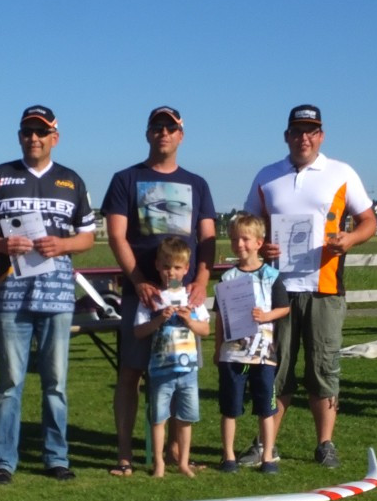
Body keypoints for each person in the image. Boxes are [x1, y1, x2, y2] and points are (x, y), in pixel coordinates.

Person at [244, 105, 377, 468]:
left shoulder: (341, 172)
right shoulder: (267, 176)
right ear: (286, 135)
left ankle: (325, 443)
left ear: (321, 135)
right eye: (298, 131)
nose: (305, 137)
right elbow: (247, 227)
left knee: (323, 368)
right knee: (276, 368)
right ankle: (264, 445)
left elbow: (368, 221)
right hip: (278, 288)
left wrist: (349, 240)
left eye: (312, 131)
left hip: (326, 288)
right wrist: (262, 244)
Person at [0, 106, 96, 484]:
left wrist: (62, 245)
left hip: (58, 297)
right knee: (10, 382)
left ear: (54, 138)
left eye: (41, 132)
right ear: (19, 136)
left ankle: (56, 456)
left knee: (55, 383)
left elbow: (88, 237)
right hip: (12, 295)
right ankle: (3, 461)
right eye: (28, 132)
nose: (34, 138)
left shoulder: (71, 181)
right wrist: (2, 241)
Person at [102, 106, 216, 476]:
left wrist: (201, 280)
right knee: (131, 373)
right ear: (148, 133)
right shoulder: (125, 179)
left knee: (180, 372)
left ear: (181, 135)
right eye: (157, 127)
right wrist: (139, 281)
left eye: (171, 127)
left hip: (184, 297)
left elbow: (208, 238)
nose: (163, 132)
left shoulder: (197, 184)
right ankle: (125, 453)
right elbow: (117, 236)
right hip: (143, 296)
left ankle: (173, 455)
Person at [214, 213, 289, 474]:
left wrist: (267, 316)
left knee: (266, 408)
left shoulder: (271, 275)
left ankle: (268, 456)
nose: (240, 244)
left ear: (259, 242)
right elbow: (220, 318)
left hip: (263, 356)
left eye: (245, 239)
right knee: (230, 408)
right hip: (233, 355)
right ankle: (229, 456)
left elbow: (284, 308)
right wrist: (216, 349)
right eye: (234, 239)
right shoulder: (226, 279)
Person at [133, 238, 210, 478]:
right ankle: (159, 464)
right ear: (157, 266)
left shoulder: (192, 298)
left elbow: (205, 330)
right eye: (166, 267)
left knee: (185, 419)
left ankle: (183, 463)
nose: (171, 272)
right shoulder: (154, 298)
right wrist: (158, 320)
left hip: (188, 371)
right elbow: (138, 331)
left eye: (177, 268)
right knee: (159, 419)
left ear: (186, 269)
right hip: (161, 370)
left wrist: (189, 320)